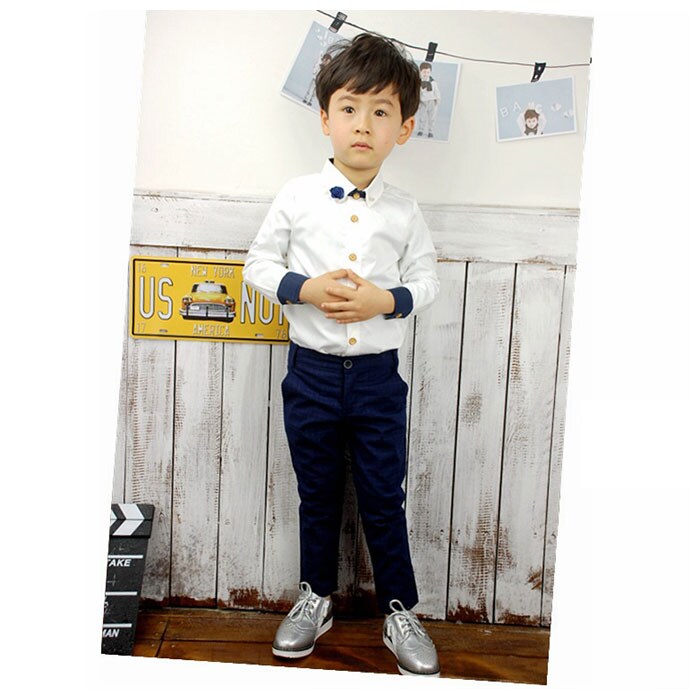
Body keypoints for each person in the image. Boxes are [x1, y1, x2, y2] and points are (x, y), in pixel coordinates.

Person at [242, 33, 441, 677]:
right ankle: (315, 597)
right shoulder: (296, 196)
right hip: (312, 375)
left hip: (379, 380)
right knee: (318, 494)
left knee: (385, 496)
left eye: (381, 111)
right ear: (325, 117)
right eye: (350, 108)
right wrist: (304, 289)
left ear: (403, 128)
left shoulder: (405, 212)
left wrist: (387, 300)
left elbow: (428, 282)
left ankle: (399, 608)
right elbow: (257, 265)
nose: (363, 124)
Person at [416, 61, 441, 138]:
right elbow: (417, 93)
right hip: (423, 102)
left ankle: (430, 131)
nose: (426, 74)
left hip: (432, 101)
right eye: (424, 72)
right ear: (420, 72)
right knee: (422, 117)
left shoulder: (433, 83)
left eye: (428, 72)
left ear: (430, 72)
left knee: (432, 117)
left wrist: (437, 100)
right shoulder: (418, 82)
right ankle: (420, 130)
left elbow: (436, 91)